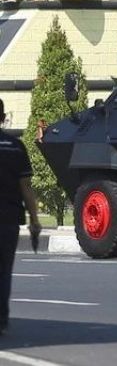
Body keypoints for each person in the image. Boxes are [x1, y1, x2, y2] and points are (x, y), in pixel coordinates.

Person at [0, 98, 41, 336]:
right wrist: (34, 219)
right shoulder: (15, 146)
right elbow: (25, 186)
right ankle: (1, 319)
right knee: (4, 270)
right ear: (3, 117)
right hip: (8, 218)